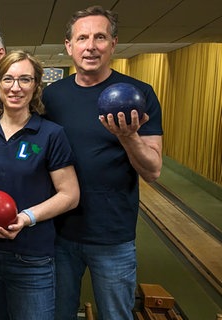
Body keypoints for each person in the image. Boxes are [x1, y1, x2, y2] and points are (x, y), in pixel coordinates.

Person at [41, 5, 163, 319]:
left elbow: (152, 171)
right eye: (82, 38)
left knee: (115, 315)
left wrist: (128, 136)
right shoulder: (50, 97)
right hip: (59, 233)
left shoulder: (139, 95)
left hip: (113, 235)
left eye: (100, 37)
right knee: (58, 313)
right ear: (69, 46)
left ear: (113, 43)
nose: (91, 46)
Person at [0, 50, 80, 320]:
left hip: (31, 257)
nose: (15, 88)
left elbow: (70, 195)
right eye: (8, 79)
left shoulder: (51, 134)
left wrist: (26, 218)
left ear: (36, 85)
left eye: (24, 79)